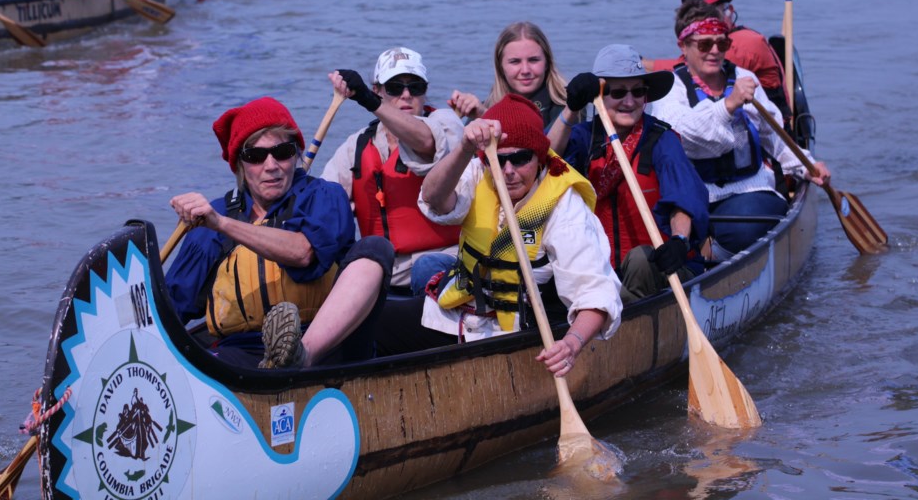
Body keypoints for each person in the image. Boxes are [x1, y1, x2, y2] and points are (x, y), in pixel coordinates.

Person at [377, 94, 623, 379]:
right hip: (466, 316)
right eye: (501, 160)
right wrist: (464, 148)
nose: (508, 171)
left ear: (539, 155)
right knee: (376, 324)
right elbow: (433, 199)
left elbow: (595, 294)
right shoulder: (480, 169)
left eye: (520, 159)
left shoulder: (565, 206)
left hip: (527, 329)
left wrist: (571, 344)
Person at [165, 97, 394, 369]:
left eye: (282, 152)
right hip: (242, 353)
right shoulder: (210, 222)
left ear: (296, 155)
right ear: (240, 165)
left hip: (330, 347)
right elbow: (170, 311)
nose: (271, 165)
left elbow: (303, 253)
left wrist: (223, 224)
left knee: (375, 249)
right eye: (256, 156)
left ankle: (301, 356)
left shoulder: (323, 195)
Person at [647, 1, 831, 261]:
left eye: (721, 44)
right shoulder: (671, 88)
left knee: (749, 224)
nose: (714, 51)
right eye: (704, 44)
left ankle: (712, 253)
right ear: (683, 46)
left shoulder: (744, 78)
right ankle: (704, 252)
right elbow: (685, 134)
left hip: (749, 193)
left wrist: (807, 166)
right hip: (692, 200)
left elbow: (774, 136)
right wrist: (728, 105)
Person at [558, 45, 710, 303]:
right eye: (618, 92)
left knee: (640, 260)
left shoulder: (663, 140)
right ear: (600, 96)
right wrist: (570, 109)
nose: (629, 101)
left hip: (661, 269)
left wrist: (679, 241)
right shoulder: (583, 138)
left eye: (638, 92)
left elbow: (683, 199)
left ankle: (612, 319)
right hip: (602, 271)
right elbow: (543, 159)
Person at [320, 48, 464, 296]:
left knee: (425, 267)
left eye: (415, 87)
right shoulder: (356, 146)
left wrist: (366, 99)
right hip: (384, 272)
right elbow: (326, 201)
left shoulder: (447, 122)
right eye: (395, 87)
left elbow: (427, 142)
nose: (406, 95)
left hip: (444, 262)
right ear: (379, 90)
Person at [645, 0, 792, 123]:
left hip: (769, 125)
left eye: (709, 13)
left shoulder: (745, 42)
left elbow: (687, 65)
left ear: (727, 11)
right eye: (696, 16)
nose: (706, 19)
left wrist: (644, 65)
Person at [449, 21, 572, 133]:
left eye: (533, 60)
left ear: (547, 63)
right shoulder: (485, 108)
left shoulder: (569, 105)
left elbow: (544, 150)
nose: (525, 70)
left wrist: (487, 116)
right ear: (501, 67)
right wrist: (451, 121)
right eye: (515, 62)